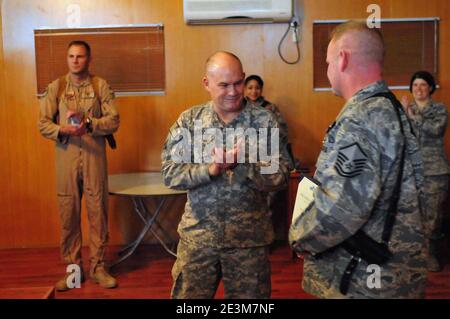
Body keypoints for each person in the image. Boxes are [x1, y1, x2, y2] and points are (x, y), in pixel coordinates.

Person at [289, 21, 427, 298]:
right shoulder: (390, 108)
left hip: (362, 281)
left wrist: (300, 238)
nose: (327, 70)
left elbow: (341, 210)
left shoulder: (361, 119)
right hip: (392, 272)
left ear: (342, 59)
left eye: (327, 62)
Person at [161, 51, 290, 298]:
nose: (233, 91)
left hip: (249, 243)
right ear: (206, 83)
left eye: (238, 83)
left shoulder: (264, 121)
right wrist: (209, 170)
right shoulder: (190, 121)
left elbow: (281, 176)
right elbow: (170, 173)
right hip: (198, 240)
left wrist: (243, 166)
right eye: (223, 85)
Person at [38, 40, 119, 291]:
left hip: (94, 157)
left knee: (98, 214)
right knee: (69, 215)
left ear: (89, 59)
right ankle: (73, 271)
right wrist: (64, 129)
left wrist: (91, 124)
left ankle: (98, 268)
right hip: (67, 158)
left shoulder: (100, 85)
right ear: (67, 59)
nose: (75, 60)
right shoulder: (57, 87)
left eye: (80, 56)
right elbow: (43, 123)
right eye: (71, 56)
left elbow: (114, 120)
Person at [401, 71, 449, 272]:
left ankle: (429, 254)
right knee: (411, 216)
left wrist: (413, 116)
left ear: (430, 88)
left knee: (433, 217)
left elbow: (435, 130)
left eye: (423, 85)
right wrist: (404, 115)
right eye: (415, 86)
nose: (419, 89)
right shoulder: (405, 110)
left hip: (434, 171)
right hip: (410, 170)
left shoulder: (439, 109)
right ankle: (412, 255)